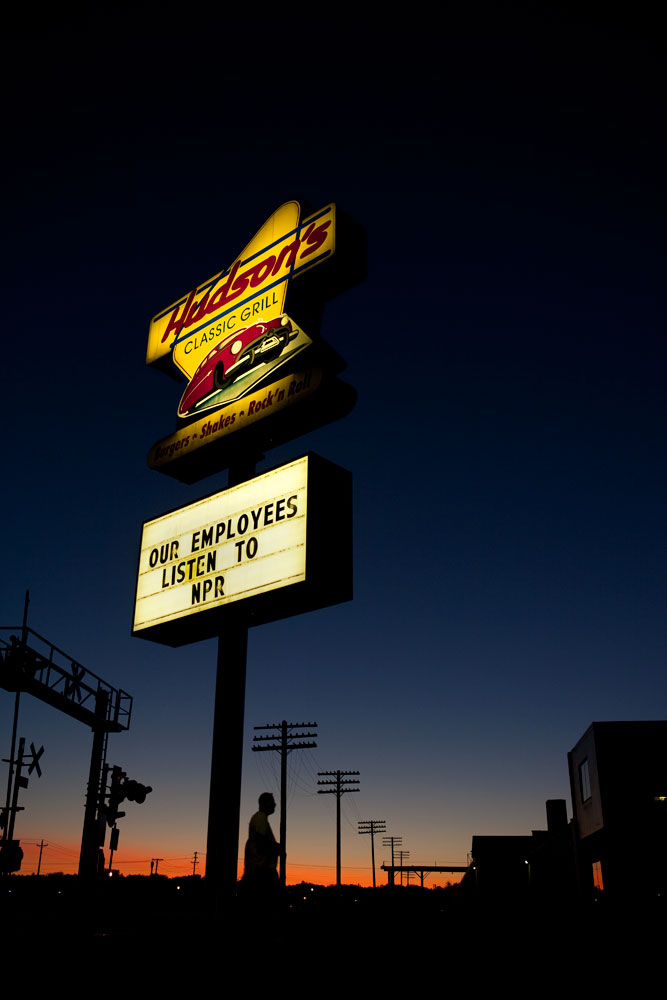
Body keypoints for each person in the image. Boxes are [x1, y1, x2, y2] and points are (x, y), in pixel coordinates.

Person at [243, 792, 281, 888]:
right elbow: (261, 843)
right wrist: (277, 848)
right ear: (265, 803)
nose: (274, 804)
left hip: (260, 870)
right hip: (261, 871)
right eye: (272, 802)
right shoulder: (260, 818)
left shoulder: (260, 818)